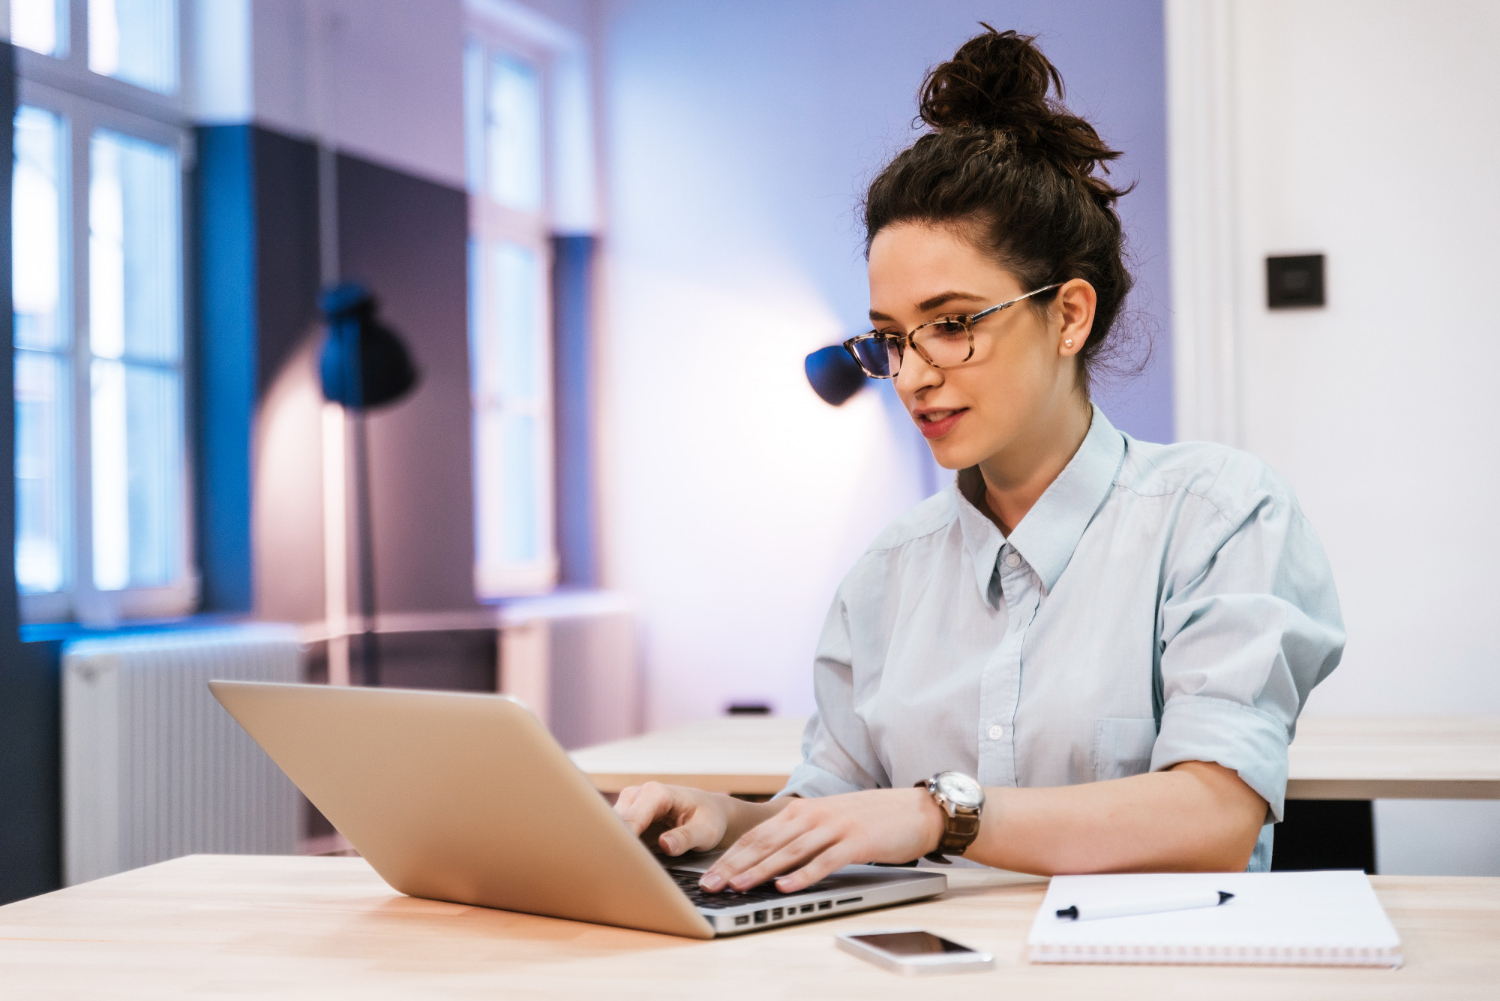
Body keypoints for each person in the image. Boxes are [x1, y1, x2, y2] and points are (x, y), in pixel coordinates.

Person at [615, 27, 1344, 895]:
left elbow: (1216, 819)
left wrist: (940, 811)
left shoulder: (1219, 514)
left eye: (954, 322)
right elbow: (841, 811)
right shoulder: (887, 576)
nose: (914, 376)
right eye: (890, 340)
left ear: (1069, 315)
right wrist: (723, 820)